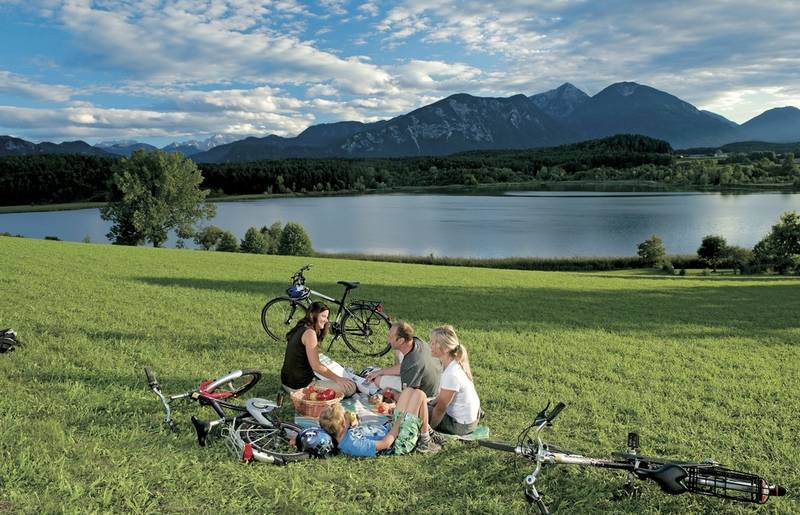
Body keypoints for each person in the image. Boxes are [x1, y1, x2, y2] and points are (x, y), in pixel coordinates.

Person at [318, 387, 440, 456]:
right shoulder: (354, 445)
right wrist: (398, 422)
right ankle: (425, 440)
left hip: (392, 429)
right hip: (399, 442)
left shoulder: (345, 434)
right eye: (345, 415)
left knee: (408, 391)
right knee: (419, 395)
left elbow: (359, 432)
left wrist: (355, 424)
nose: (348, 414)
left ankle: (424, 430)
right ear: (343, 424)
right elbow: (385, 444)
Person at [280, 301, 356, 397]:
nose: (327, 320)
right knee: (350, 387)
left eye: (327, 317)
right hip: (299, 388)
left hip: (286, 382)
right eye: (323, 316)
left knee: (328, 370)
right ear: (312, 315)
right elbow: (316, 366)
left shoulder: (301, 327)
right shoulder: (310, 333)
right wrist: (338, 379)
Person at [364, 320, 440, 398]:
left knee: (377, 380)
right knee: (398, 351)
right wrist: (380, 372)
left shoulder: (411, 364)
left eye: (390, 337)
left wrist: (392, 393)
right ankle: (398, 377)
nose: (388, 340)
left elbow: (408, 397)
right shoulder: (416, 341)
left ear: (401, 340)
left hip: (425, 393)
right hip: (433, 379)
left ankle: (399, 380)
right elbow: (405, 365)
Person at [428, 325, 481, 436]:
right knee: (424, 404)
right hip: (469, 420)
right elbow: (443, 396)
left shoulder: (451, 374)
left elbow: (440, 409)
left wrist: (429, 431)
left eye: (433, 343)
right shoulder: (452, 364)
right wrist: (431, 403)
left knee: (415, 410)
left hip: (461, 426)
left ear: (446, 349)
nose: (430, 345)